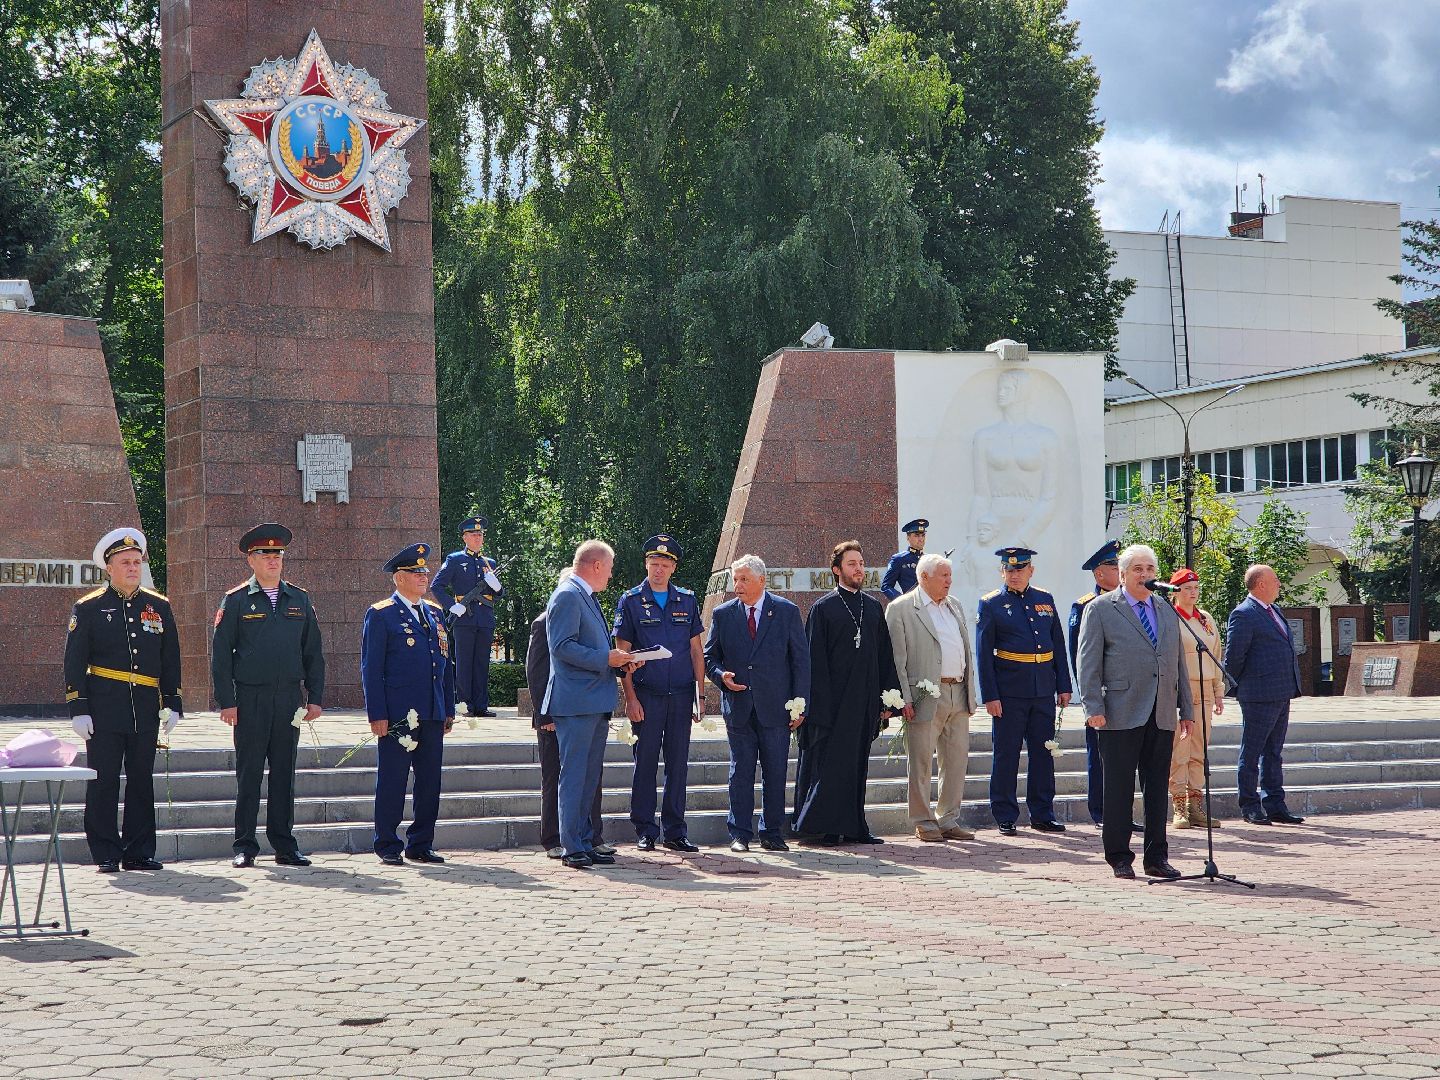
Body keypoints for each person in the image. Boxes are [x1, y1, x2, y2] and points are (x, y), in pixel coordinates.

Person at [63, 528, 181, 873]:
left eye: (137, 562)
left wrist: (172, 701)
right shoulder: (89, 607)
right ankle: (105, 851)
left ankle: (138, 851)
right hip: (104, 705)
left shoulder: (158, 606)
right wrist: (78, 707)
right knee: (104, 779)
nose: (132, 567)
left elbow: (170, 658)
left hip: (144, 705)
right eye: (125, 562)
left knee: (141, 778)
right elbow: (74, 661)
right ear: (109, 567)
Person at [1075, 543, 1193, 879]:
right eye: (1138, 569)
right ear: (1123, 574)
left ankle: (1156, 858)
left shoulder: (1166, 608)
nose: (1145, 575)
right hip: (1119, 711)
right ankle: (1119, 856)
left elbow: (1178, 662)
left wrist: (1186, 708)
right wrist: (1093, 706)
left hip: (1161, 710)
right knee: (1119, 788)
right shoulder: (1100, 609)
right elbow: (1088, 663)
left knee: (1156, 789)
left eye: (1150, 569)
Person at [212, 523, 325, 869]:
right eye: (265, 555)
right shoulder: (236, 600)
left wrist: (315, 697)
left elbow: (313, 652)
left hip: (288, 699)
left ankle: (284, 845)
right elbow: (221, 655)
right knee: (249, 774)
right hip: (250, 699)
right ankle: (245, 845)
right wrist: (227, 701)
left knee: (283, 774)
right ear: (251, 560)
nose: (273, 560)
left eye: (277, 554)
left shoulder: (299, 599)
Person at [793, 541, 900, 845]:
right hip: (833, 706)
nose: (859, 569)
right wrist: (817, 708)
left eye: (861, 563)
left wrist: (888, 699)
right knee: (832, 766)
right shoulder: (823, 608)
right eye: (852, 564)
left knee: (857, 766)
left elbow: (884, 656)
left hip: (864, 703)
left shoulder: (873, 607)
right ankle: (828, 827)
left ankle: (856, 827)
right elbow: (813, 661)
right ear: (837, 570)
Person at [704, 554, 809, 852]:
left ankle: (771, 832)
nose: (737, 585)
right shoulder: (723, 614)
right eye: (735, 579)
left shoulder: (786, 612)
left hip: (776, 708)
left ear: (762, 581)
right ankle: (739, 834)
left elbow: (801, 661)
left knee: (775, 771)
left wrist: (800, 704)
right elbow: (710, 657)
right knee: (740, 772)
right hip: (739, 707)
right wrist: (720, 675)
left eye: (744, 579)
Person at [544, 540, 636, 869]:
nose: (610, 575)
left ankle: (583, 839)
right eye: (609, 568)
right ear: (596, 565)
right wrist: (605, 658)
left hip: (592, 700)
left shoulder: (586, 596)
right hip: (576, 702)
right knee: (574, 776)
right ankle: (571, 845)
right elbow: (561, 647)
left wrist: (620, 662)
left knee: (588, 777)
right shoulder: (568, 595)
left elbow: (589, 648)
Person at [362, 543, 456, 866]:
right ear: (399, 578)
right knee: (393, 779)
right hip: (399, 714)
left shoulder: (435, 613)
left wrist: (448, 708)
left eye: (425, 572)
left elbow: (445, 664)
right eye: (416, 573)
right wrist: (377, 714)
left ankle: (421, 842)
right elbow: (371, 669)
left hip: (432, 710)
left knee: (430, 782)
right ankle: (388, 843)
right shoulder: (382, 614)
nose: (423, 577)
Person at [614, 534, 705, 852]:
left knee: (678, 764)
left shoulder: (687, 600)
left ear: (673, 568)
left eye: (665, 565)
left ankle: (676, 831)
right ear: (646, 564)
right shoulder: (631, 600)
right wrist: (630, 699)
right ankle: (645, 829)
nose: (659, 570)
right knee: (646, 763)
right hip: (647, 695)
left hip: (681, 695)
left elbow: (696, 651)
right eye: (654, 564)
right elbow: (622, 654)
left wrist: (700, 695)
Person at [975, 546, 1071, 835]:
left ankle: (1042, 813)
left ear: (1031, 570)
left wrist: (1063, 685)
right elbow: (984, 654)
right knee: (1007, 754)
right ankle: (1005, 814)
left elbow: (1058, 645)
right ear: (1002, 571)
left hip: (1042, 689)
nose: (1014, 574)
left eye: (1019, 569)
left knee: (1043, 753)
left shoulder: (1044, 599)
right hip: (1009, 692)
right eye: (1009, 569)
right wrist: (990, 696)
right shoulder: (991, 604)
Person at [884, 552, 976, 842]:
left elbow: (963, 648)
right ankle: (923, 821)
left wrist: (970, 690)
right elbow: (897, 659)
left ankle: (948, 819)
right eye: (944, 575)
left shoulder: (954, 605)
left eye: (950, 575)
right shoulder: (901, 609)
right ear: (924, 577)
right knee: (921, 762)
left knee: (956, 761)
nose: (949, 581)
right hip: (923, 696)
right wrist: (905, 698)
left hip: (958, 692)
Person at [524, 587, 611, 859]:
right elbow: (536, 671)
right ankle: (553, 838)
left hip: (583, 708)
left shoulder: (589, 620)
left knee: (588, 778)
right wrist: (543, 716)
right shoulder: (543, 622)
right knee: (556, 777)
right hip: (556, 713)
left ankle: (590, 837)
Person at [1224, 564, 1305, 826]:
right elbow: (1234, 657)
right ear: (1261, 584)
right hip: (1258, 694)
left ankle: (1274, 804)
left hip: (1281, 691)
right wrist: (1238, 687)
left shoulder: (1274, 610)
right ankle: (1250, 805)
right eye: (1275, 579)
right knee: (1252, 752)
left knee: (1273, 752)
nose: (1279, 583)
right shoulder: (1244, 613)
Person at [1069, 539, 1123, 829]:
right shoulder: (1085, 606)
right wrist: (1090, 698)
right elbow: (1079, 656)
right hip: (1101, 693)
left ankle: (1122, 811)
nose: (1119, 570)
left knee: (1125, 756)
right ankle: (1101, 811)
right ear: (1099, 573)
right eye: (1114, 566)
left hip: (1128, 692)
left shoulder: (1130, 603)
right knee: (1099, 755)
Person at [1167, 567, 1226, 829]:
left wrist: (1218, 691)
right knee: (1180, 749)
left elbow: (1216, 655)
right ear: (1175, 592)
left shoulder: (1205, 619)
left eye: (1196, 588)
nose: (1193, 593)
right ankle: (1179, 805)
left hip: (1205, 689)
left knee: (1200, 749)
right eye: (1187, 589)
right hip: (1182, 690)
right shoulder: (1170, 618)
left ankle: (1196, 805)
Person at [430, 516, 503, 717]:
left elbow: (498, 595)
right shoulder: (455, 560)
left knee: (482, 663)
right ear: (465, 537)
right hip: (464, 619)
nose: (478, 538)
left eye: (480, 534)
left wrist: (497, 587)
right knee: (464, 663)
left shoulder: (489, 563)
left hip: (485, 619)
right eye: (473, 534)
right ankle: (464, 705)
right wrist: (452, 606)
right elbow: (437, 586)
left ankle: (481, 705)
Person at [882, 518, 928, 600]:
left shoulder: (929, 559)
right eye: (917, 535)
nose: (921, 539)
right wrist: (902, 600)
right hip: (910, 605)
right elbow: (886, 586)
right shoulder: (899, 559)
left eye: (923, 535)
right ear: (908, 537)